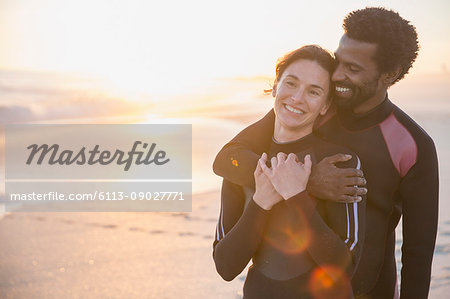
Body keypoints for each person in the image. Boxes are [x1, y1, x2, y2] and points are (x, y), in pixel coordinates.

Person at [213, 7, 439, 299]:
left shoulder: (412, 144)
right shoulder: (310, 111)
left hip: (373, 290)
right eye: (338, 61)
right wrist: (308, 180)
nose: (338, 75)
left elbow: (419, 253)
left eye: (353, 69)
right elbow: (227, 159)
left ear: (389, 74)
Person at [213, 45, 365, 299]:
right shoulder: (244, 162)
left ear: (326, 105)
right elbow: (226, 267)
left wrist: (297, 195)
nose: (297, 98)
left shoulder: (339, 163)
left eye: (313, 91)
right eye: (291, 84)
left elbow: (345, 266)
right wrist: (262, 201)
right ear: (275, 87)